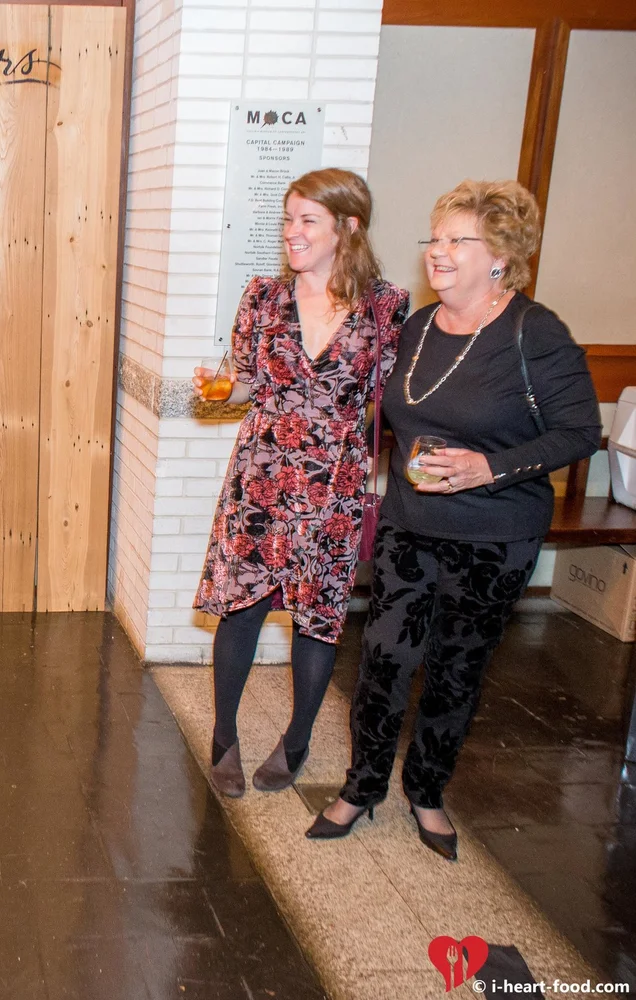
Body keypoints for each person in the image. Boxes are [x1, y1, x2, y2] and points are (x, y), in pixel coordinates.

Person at [307, 180, 600, 860]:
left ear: (500, 256)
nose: (436, 251)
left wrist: (488, 468)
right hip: (409, 526)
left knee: (455, 669)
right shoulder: (417, 328)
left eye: (455, 240)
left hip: (494, 539)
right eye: (433, 238)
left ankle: (427, 791)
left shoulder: (534, 332)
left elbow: (580, 432)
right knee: (383, 659)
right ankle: (362, 786)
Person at [194, 168, 409, 799]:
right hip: (260, 475)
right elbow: (243, 384)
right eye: (288, 219)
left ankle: (297, 740)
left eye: (307, 220)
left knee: (318, 616)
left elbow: (396, 398)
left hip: (332, 483)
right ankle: (224, 738)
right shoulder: (262, 297)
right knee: (241, 605)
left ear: (348, 227)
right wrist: (220, 391)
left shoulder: (385, 307)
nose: (292, 231)